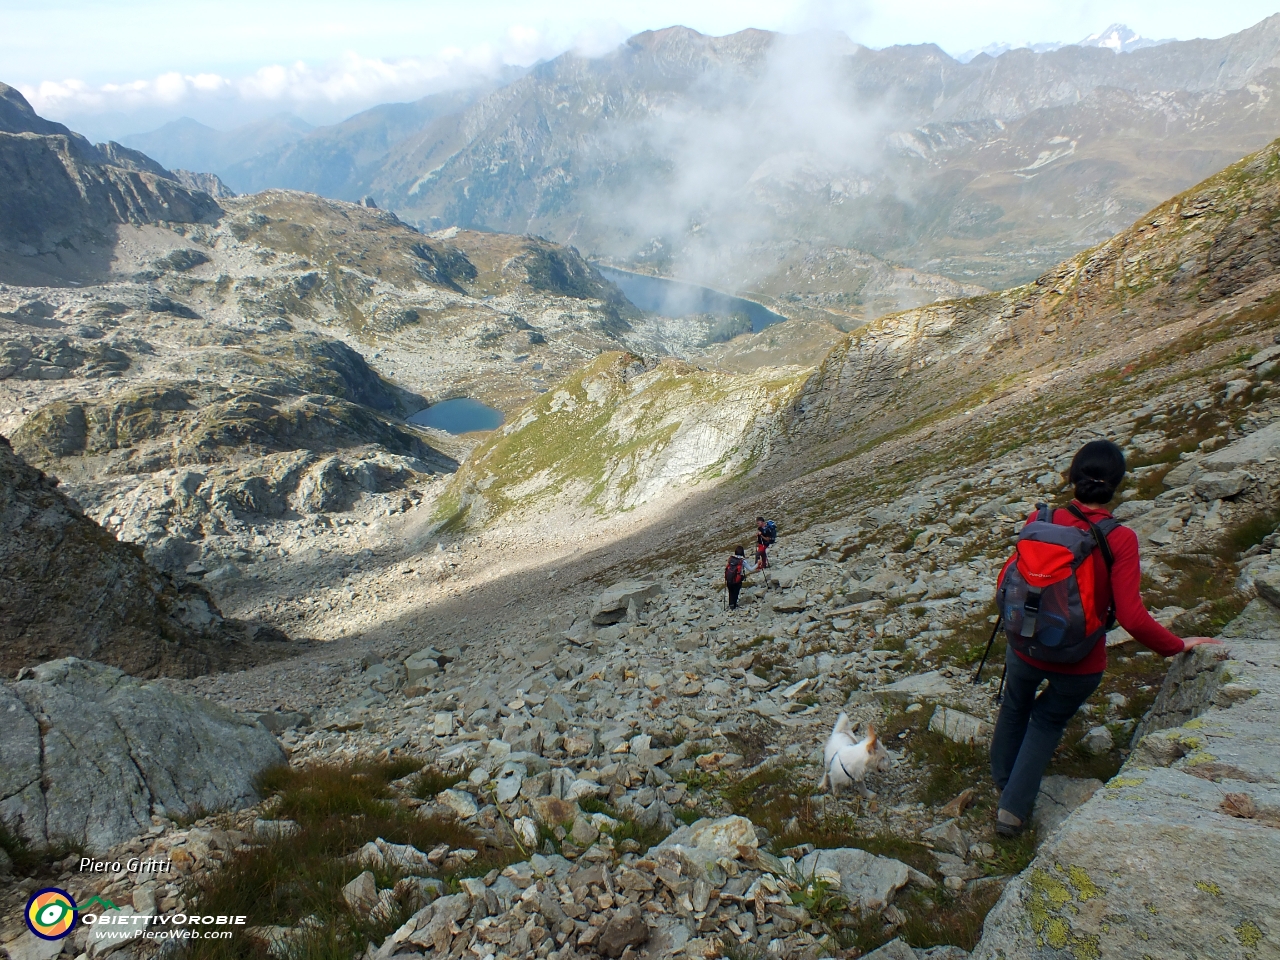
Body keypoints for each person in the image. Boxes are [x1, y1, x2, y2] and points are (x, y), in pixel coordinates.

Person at [989, 439, 1222, 837]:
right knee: (1046, 722)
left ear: (1071, 476)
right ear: (1117, 484)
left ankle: (1003, 779)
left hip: (1025, 643)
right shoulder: (1120, 539)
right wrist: (1176, 644)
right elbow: (1131, 615)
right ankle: (1011, 810)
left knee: (1015, 706)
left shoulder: (1040, 518)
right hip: (1079, 661)